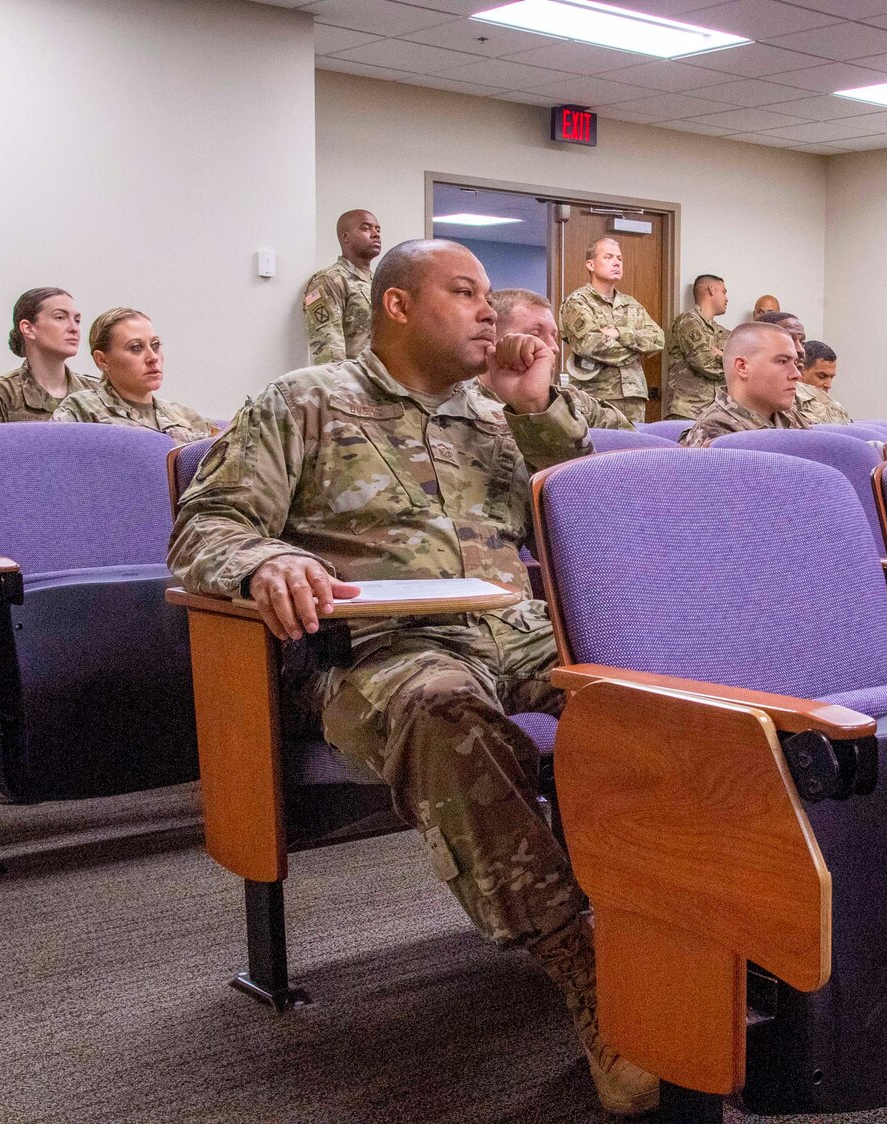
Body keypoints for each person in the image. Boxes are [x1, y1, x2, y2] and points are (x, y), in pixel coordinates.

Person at [168, 239, 655, 1117]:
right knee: (442, 706)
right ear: (397, 306)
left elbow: (594, 501)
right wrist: (268, 562)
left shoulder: (496, 411)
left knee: (663, 692)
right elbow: (207, 525)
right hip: (384, 647)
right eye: (464, 293)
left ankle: (696, 920)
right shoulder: (303, 401)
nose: (489, 313)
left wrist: (534, 404)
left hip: (520, 629)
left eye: (488, 297)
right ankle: (580, 962)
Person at [52, 308, 216, 444]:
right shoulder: (81, 409)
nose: (153, 357)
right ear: (102, 360)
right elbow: (51, 471)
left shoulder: (186, 416)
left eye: (155, 345)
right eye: (136, 348)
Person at [482, 289, 632, 431]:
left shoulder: (574, 401)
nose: (554, 348)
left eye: (553, 336)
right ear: (493, 338)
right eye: (535, 334)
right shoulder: (468, 413)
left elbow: (638, 448)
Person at [558, 237, 664, 424]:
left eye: (619, 259)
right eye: (608, 257)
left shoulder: (630, 304)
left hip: (633, 397)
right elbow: (592, 346)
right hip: (596, 398)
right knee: (600, 451)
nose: (616, 262)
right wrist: (636, 348)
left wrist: (620, 333)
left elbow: (658, 339)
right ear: (590, 265)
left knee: (633, 451)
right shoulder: (577, 302)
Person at [0, 288, 101, 424]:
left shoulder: (97, 393)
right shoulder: (0, 395)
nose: (74, 328)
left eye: (77, 320)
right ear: (28, 328)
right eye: (60, 317)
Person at [680, 321, 808, 447]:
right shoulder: (716, 432)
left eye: (795, 363)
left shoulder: (788, 416)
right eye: (782, 362)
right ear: (742, 367)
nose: (796, 374)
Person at [303, 209, 384, 364]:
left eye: (377, 229)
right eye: (366, 228)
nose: (375, 234)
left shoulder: (379, 282)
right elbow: (329, 353)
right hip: (353, 383)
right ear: (345, 237)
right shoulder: (329, 281)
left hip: (383, 381)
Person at [662, 273, 729, 420]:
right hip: (687, 411)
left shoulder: (723, 332)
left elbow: (747, 364)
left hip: (715, 412)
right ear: (711, 289)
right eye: (723, 291)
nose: (727, 298)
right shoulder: (688, 322)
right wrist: (731, 363)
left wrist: (725, 357)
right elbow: (705, 363)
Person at [794, 340, 852, 426]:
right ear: (801, 370)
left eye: (831, 377)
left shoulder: (830, 403)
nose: (828, 385)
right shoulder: (788, 401)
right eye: (821, 376)